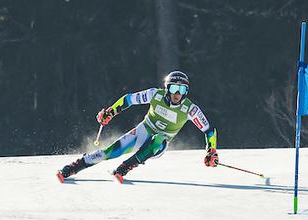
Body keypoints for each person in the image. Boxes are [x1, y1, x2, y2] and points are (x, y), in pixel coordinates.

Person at [57, 71, 218, 183]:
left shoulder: (190, 109)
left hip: (159, 144)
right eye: (173, 88)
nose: (177, 93)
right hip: (143, 131)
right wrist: (110, 113)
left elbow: (209, 131)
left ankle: (125, 167)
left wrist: (211, 152)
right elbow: (129, 100)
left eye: (182, 89)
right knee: (111, 152)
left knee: (159, 139)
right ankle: (74, 167)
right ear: (167, 88)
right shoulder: (156, 95)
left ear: (186, 91)